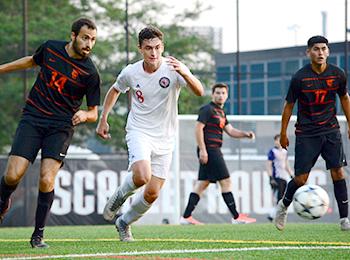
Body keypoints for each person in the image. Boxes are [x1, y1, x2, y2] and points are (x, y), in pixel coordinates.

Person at [96, 25, 204, 242]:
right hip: (139, 130)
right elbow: (115, 89)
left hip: (165, 137)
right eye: (148, 48)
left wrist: (184, 72)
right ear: (140, 49)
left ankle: (124, 222)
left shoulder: (174, 68)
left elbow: (200, 91)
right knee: (141, 176)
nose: (153, 53)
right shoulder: (131, 71)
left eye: (157, 47)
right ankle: (119, 197)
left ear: (162, 46)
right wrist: (103, 118)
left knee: (152, 193)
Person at [0, 18, 100, 248]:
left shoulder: (90, 73)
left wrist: (84, 115)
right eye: (85, 38)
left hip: (60, 127)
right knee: (13, 175)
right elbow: (31, 61)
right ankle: (3, 199)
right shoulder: (51, 48)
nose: (89, 44)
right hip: (33, 118)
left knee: (46, 178)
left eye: (93, 40)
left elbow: (94, 112)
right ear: (73, 35)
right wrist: (2, 69)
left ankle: (38, 235)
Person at [275, 35, 350, 231]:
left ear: (328, 52)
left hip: (331, 129)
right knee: (301, 179)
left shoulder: (338, 74)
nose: (320, 52)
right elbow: (289, 106)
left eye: (324, 49)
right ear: (308, 52)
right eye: (316, 49)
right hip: (306, 133)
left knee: (338, 172)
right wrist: (283, 133)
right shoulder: (299, 77)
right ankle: (283, 206)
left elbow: (344, 98)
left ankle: (344, 219)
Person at [180, 83, 256, 225]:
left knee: (202, 184)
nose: (220, 95)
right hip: (210, 150)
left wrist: (246, 134)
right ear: (212, 94)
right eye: (218, 93)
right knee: (226, 181)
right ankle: (236, 217)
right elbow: (198, 129)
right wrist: (203, 150)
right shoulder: (207, 109)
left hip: (213, 150)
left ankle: (186, 217)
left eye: (223, 93)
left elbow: (231, 131)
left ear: (226, 96)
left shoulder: (221, 112)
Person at [266, 134, 293, 222]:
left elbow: (286, 165)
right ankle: (274, 215)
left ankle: (273, 215)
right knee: (279, 197)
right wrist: (270, 177)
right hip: (277, 178)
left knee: (282, 197)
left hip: (284, 177)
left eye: (278, 140)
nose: (277, 142)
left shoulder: (285, 151)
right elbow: (269, 165)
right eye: (276, 140)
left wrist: (291, 175)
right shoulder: (272, 151)